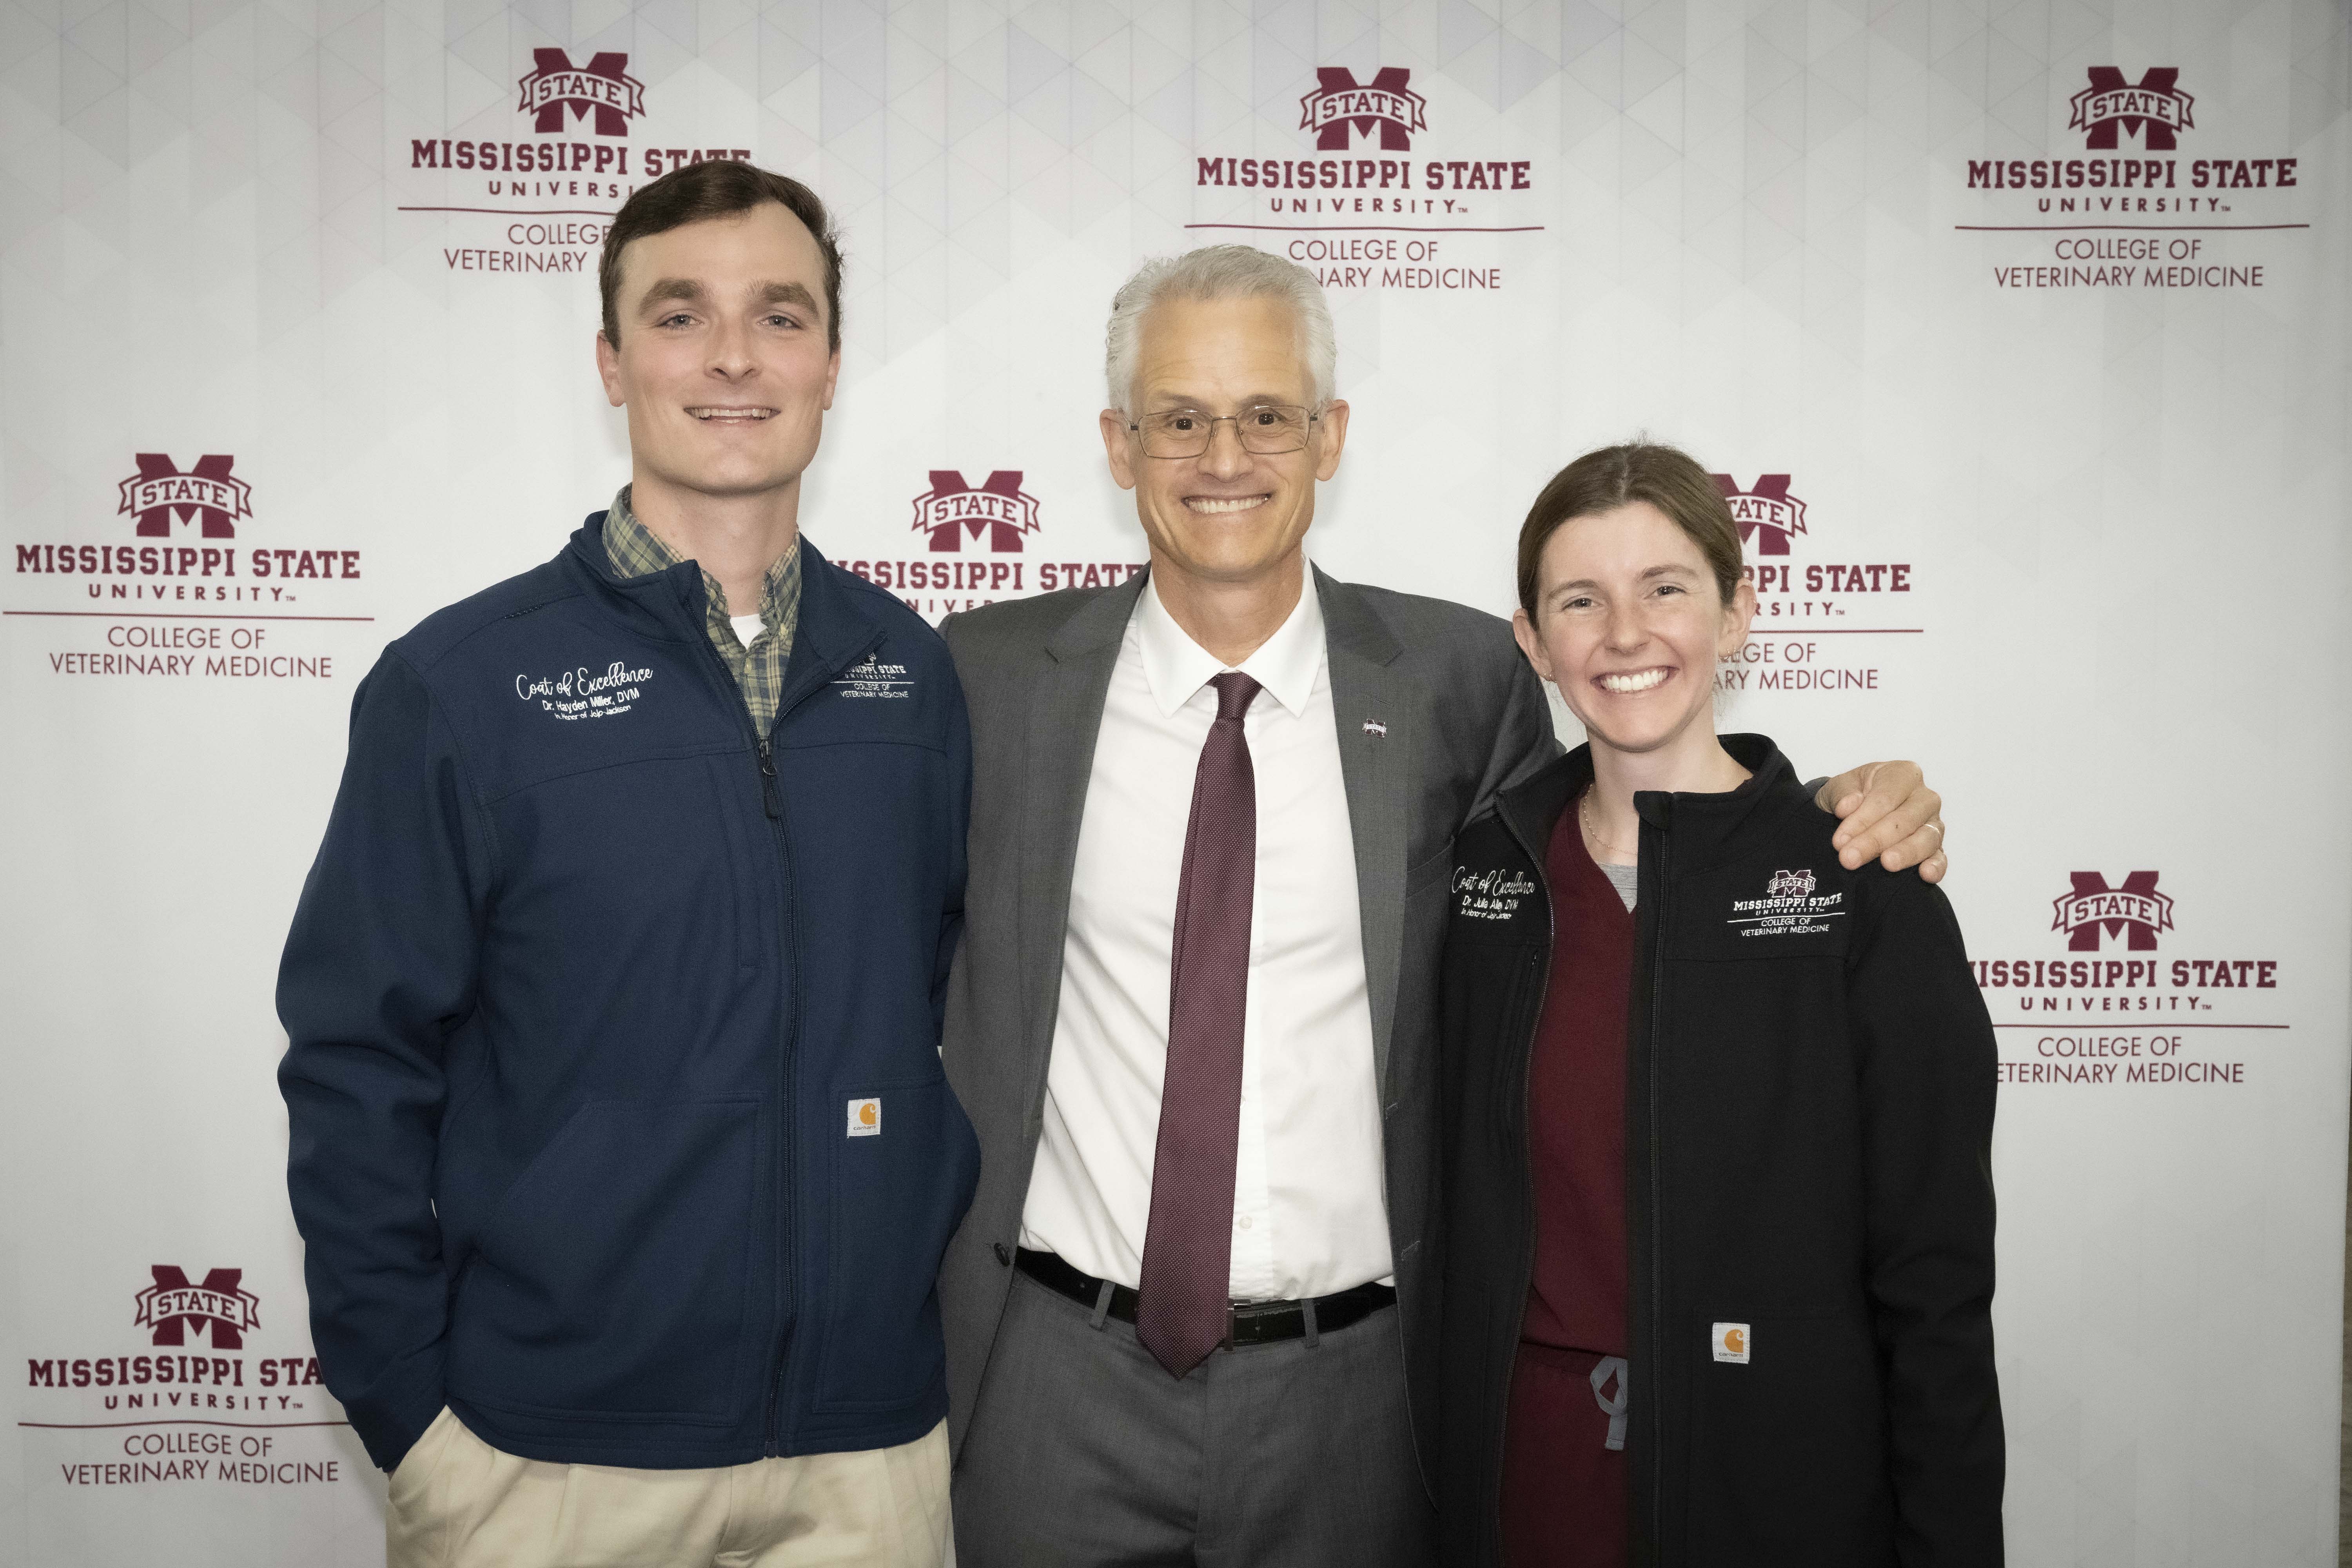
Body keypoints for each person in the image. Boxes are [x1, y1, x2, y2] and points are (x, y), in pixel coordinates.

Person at [934, 245, 1954, 1567]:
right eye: (1179, 418)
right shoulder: (988, 678)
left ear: (1331, 437)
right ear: (1119, 445)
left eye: (1268, 416)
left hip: (1357, 1396)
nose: (1223, 456)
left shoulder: (1457, 678)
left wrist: (1826, 810)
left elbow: (1614, 848)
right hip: (1054, 1383)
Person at [275, 160, 975, 1568]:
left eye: (781, 316)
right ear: (611, 361)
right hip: (545, 1470)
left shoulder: (912, 672)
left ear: (832, 364)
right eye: (679, 316)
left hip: (867, 1459)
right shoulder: (462, 683)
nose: (732, 355)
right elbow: (357, 1061)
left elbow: (949, 1009)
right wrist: (416, 1419)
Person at [1435, 442, 2004, 1567]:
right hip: (1523, 1485)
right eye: (1581, 600)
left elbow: (1936, 1292)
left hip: (1777, 1486)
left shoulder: (1861, 891)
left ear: (1738, 614)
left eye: (1667, 590)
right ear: (1533, 642)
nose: (1626, 634)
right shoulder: (1482, 886)